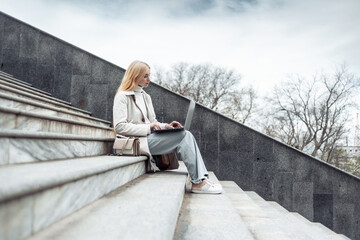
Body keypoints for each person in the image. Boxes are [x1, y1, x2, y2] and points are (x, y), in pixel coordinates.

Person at [113, 60, 222, 194]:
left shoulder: (146, 97)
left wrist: (166, 126)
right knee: (183, 136)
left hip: (149, 138)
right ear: (135, 76)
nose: (149, 79)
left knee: (186, 134)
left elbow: (153, 121)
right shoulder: (122, 97)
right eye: (145, 76)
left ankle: (201, 179)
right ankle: (198, 182)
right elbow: (119, 127)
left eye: (149, 75)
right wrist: (149, 128)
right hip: (135, 142)